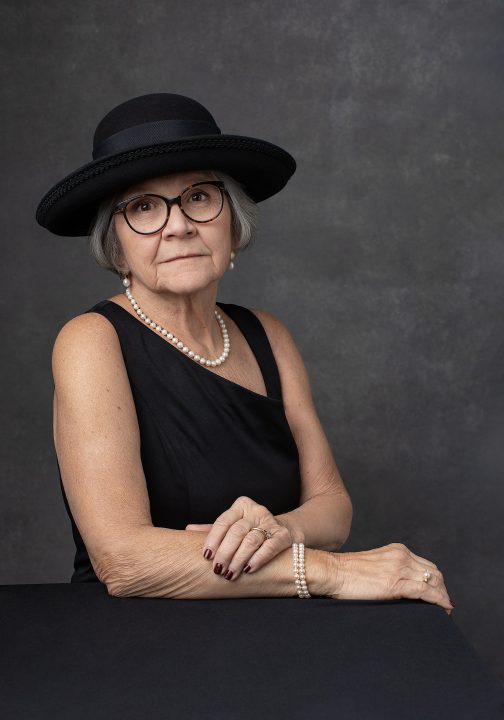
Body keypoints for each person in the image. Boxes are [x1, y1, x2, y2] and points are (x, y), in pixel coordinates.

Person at [36, 93, 453, 612]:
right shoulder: (91, 340)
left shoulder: (268, 334)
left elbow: (332, 506)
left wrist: (276, 530)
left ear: (232, 219)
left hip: (273, 623)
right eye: (143, 207)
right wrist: (330, 572)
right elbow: (123, 560)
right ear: (116, 243)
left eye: (199, 197)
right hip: (138, 639)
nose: (179, 224)